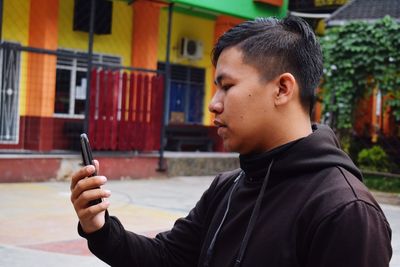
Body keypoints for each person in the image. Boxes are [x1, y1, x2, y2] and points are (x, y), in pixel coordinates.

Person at [70, 16, 392, 267]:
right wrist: (100, 227)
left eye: (226, 86)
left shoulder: (345, 212)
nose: (213, 103)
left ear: (282, 89)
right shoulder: (229, 187)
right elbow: (168, 258)